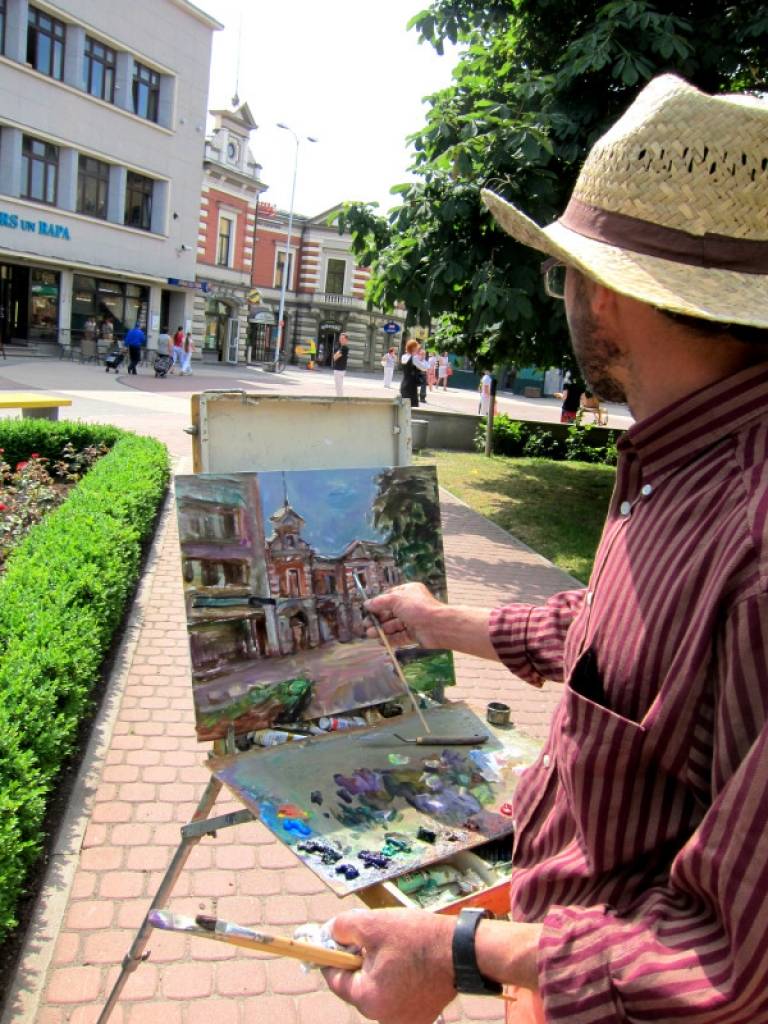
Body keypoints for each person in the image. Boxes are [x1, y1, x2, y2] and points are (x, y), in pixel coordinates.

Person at [322, 75, 768, 1024]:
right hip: (557, 960)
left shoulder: (756, 533)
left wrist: (461, 953)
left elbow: (737, 958)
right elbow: (628, 643)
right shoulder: (682, 456)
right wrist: (450, 622)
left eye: (563, 267)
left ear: (602, 293)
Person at [399, 338, 428, 408]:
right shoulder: (413, 358)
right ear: (413, 348)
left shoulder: (403, 356)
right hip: (411, 385)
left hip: (404, 383)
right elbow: (424, 368)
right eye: (416, 348)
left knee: (404, 406)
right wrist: (421, 360)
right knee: (409, 407)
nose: (417, 350)